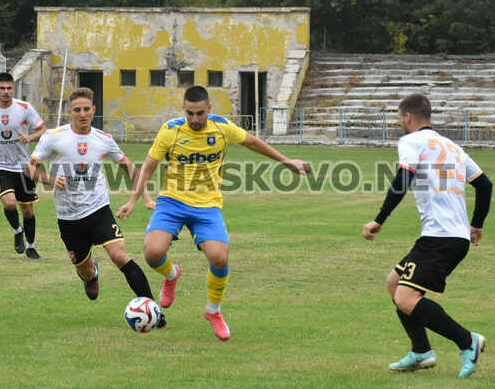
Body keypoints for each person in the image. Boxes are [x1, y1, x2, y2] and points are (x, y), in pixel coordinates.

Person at [118, 85, 311, 341]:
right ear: (184, 110)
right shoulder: (171, 131)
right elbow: (149, 166)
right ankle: (172, 274)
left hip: (207, 205)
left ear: (209, 108)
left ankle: (213, 312)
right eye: (190, 113)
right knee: (152, 253)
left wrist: (287, 161)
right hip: (172, 202)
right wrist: (133, 200)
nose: (195, 119)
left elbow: (252, 142)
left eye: (200, 113)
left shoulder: (222, 127)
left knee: (220, 259)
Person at [362, 93, 493, 377]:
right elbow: (485, 185)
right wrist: (477, 224)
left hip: (439, 237)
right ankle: (421, 350)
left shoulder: (411, 141)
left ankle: (467, 340)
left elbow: (403, 178)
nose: (400, 122)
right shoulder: (453, 147)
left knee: (406, 298)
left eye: (400, 118)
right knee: (394, 282)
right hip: (454, 236)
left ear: (407, 117)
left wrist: (379, 219)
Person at [28, 88, 162, 312]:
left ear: (93, 110)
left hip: (98, 209)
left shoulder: (104, 139)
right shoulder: (53, 137)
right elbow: (30, 169)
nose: (82, 114)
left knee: (120, 256)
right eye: (77, 110)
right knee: (86, 271)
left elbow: (130, 169)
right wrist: (50, 179)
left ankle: (153, 311)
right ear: (70, 112)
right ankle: (92, 275)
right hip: (69, 217)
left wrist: (145, 198)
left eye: (86, 109)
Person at [0, 72, 47, 258]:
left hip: (24, 166)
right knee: (9, 202)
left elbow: (43, 129)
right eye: (2, 88)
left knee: (27, 210)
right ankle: (17, 231)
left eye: (9, 88)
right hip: (0, 166)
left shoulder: (25, 108)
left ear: (14, 89)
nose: (6, 91)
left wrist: (30, 137)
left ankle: (31, 246)